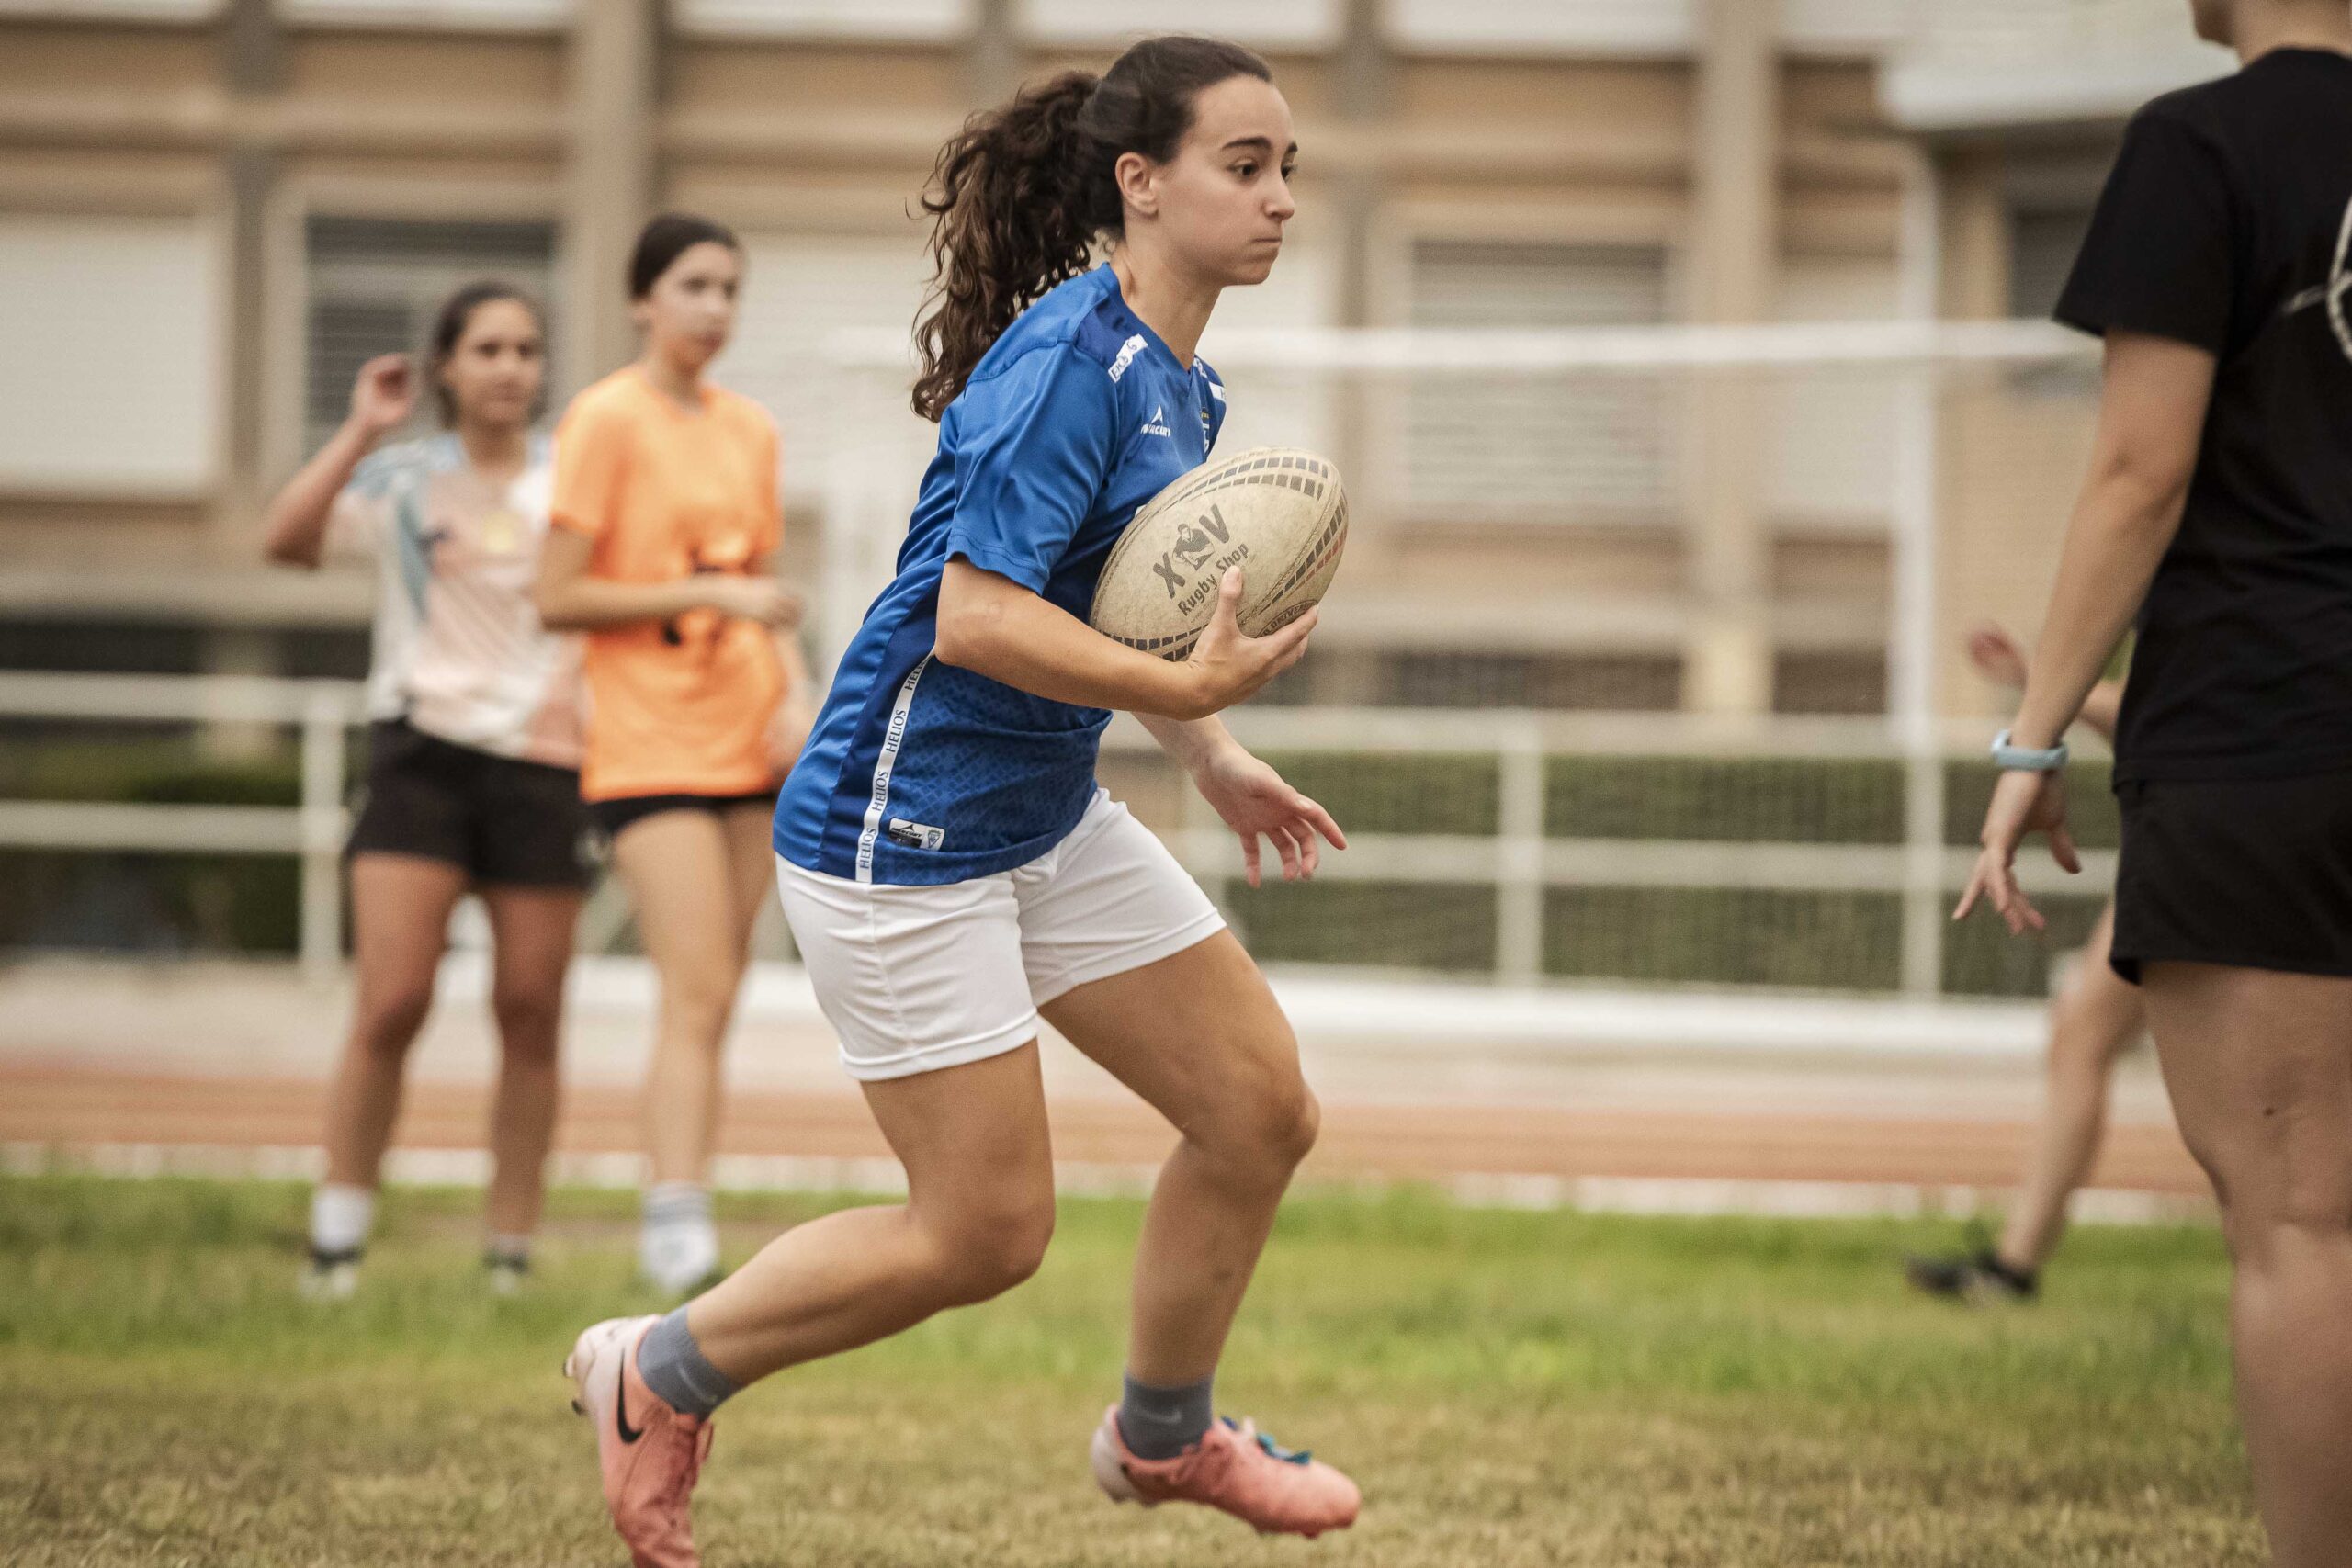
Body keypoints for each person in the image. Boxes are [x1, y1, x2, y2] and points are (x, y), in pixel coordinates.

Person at [563, 38, 1361, 1564]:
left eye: (1286, 172)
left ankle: (1164, 1434)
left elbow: (1114, 618)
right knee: (984, 1231)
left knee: (1258, 1107)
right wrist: (1192, 697)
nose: (1277, 203)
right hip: (900, 823)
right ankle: (651, 1372)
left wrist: (1210, 753)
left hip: (1041, 807)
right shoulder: (1070, 364)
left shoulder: (1181, 379)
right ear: (1142, 182)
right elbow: (977, 616)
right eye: (1244, 168)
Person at [1955, 3, 2352, 1561]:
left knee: (2309, 1220)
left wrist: (2034, 735)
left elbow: (2138, 470)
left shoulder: (2206, 144)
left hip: (2273, 719)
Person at [264, 283, 587, 1299]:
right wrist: (361, 425)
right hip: (421, 755)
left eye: (527, 350)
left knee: (530, 1009)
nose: (509, 368)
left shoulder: (574, 482)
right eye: (488, 348)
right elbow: (286, 541)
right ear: (447, 365)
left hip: (546, 763)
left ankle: (508, 1253)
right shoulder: (402, 478)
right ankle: (336, 1238)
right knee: (392, 1000)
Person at [536, 213, 815, 1296]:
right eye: (694, 285)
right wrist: (706, 593)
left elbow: (768, 588)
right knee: (694, 985)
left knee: (721, 986)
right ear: (641, 299)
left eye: (730, 289)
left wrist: (799, 698)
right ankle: (674, 1214)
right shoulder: (604, 418)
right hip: (648, 741)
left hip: (748, 733)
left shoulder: (748, 428)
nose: (715, 309)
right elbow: (558, 595)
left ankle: (682, 1193)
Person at [1908, 626, 2143, 1303]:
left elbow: (2161, 722)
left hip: (2216, 839)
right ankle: (2013, 1266)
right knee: (2082, 1029)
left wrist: (2039, 709)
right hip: (2194, 841)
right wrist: (2040, 683)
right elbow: (2155, 719)